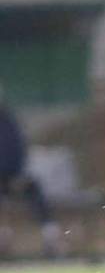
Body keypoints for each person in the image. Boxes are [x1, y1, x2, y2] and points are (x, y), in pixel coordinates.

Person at [0, 88, 61, 258]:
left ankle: (50, 234)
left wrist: (16, 175)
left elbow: (17, 150)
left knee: (34, 188)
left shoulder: (8, 120)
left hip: (12, 177)